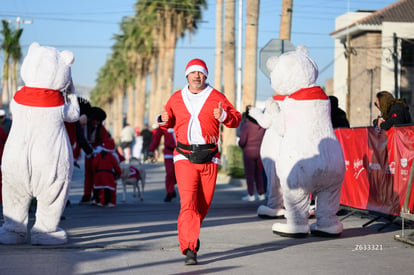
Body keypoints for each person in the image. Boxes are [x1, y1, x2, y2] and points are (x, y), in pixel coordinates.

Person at [159, 58, 241, 265]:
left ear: (205, 75)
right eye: (193, 72)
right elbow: (165, 120)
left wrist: (223, 115)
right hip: (183, 156)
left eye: (200, 73)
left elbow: (236, 119)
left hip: (209, 157)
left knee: (202, 204)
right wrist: (162, 120)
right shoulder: (177, 98)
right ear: (187, 75)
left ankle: (191, 232)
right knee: (188, 203)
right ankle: (190, 248)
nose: (197, 76)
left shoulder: (216, 97)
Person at [79, 106, 110, 204]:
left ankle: (97, 195)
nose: (97, 123)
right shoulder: (84, 127)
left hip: (97, 155)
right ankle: (87, 195)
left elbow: (106, 141)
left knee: (97, 174)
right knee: (88, 175)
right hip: (88, 154)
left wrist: (99, 149)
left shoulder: (101, 129)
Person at [238, 106, 266, 202]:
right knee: (259, 174)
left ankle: (251, 194)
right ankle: (261, 193)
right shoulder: (262, 126)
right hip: (259, 152)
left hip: (248, 152)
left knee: (249, 175)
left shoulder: (247, 125)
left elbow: (242, 141)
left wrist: (241, 145)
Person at [148, 124, 177, 202]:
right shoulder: (164, 123)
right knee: (170, 172)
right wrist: (151, 149)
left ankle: (173, 184)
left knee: (179, 173)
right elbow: (156, 138)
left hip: (181, 152)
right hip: (169, 151)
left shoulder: (182, 118)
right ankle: (170, 192)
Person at [92, 138, 122, 207]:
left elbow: (94, 164)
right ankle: (107, 202)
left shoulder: (99, 155)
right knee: (107, 189)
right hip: (108, 174)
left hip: (99, 174)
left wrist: (95, 172)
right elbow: (116, 166)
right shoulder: (111, 156)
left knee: (97, 188)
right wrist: (119, 173)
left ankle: (97, 200)